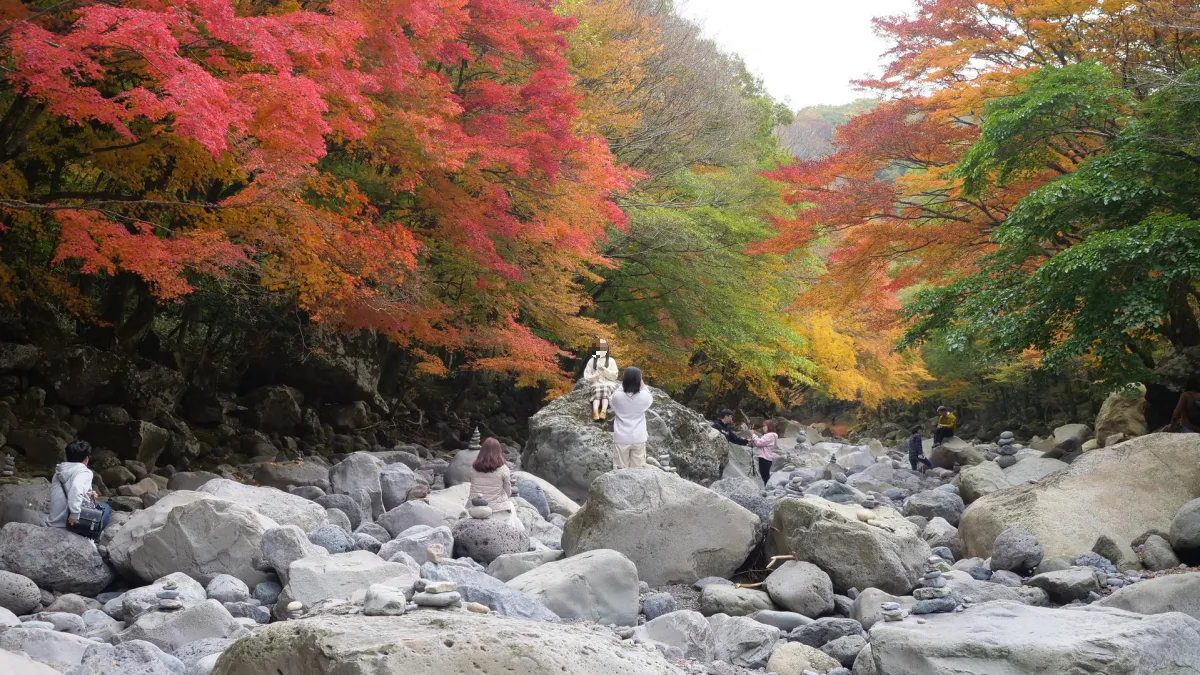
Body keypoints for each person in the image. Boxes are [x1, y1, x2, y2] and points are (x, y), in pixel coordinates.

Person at [48, 440, 111, 537]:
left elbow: (70, 488)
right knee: (106, 508)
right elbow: (76, 488)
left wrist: (89, 493)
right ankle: (92, 538)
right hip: (71, 525)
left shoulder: (59, 472)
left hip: (54, 521)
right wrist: (74, 515)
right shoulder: (84, 472)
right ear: (86, 459)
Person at [466, 437, 523, 531]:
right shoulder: (503, 469)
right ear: (498, 452)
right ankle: (517, 532)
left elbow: (471, 485)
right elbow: (508, 492)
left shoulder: (473, 468)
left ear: (482, 451)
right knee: (511, 506)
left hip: (473, 509)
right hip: (497, 512)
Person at [608, 366, 653, 469]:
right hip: (639, 437)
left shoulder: (617, 397)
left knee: (620, 471)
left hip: (621, 438)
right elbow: (649, 396)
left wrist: (622, 385)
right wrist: (642, 384)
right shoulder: (644, 397)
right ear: (639, 380)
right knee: (638, 471)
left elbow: (611, 399)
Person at [583, 339, 619, 423]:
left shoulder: (611, 360)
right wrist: (596, 375)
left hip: (609, 383)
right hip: (596, 383)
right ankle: (595, 411)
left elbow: (614, 376)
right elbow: (587, 376)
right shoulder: (592, 361)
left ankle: (603, 410)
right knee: (597, 391)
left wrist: (605, 371)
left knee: (606, 390)